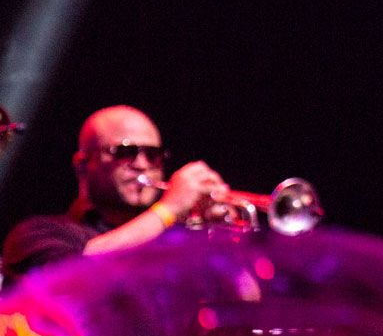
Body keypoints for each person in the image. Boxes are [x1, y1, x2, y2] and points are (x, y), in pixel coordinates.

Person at [1, 105, 228, 285]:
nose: (141, 164)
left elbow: (246, 305)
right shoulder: (37, 235)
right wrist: (170, 209)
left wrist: (224, 241)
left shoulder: (175, 244)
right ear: (83, 165)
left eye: (153, 155)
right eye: (125, 152)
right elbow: (74, 276)